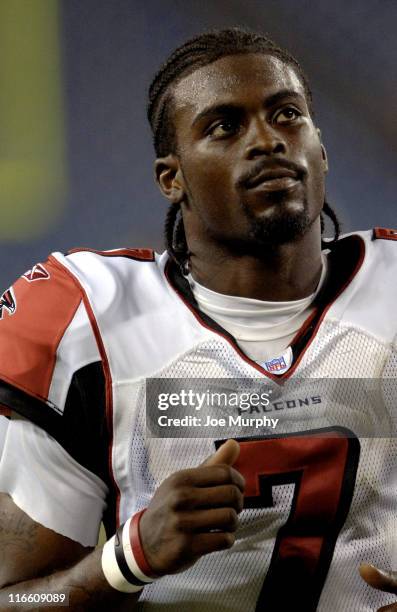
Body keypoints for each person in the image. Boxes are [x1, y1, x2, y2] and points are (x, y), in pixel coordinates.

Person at [0, 27, 396, 611]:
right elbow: (19, 602)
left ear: (321, 146)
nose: (267, 141)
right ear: (172, 178)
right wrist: (127, 561)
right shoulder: (89, 327)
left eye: (287, 115)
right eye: (224, 126)